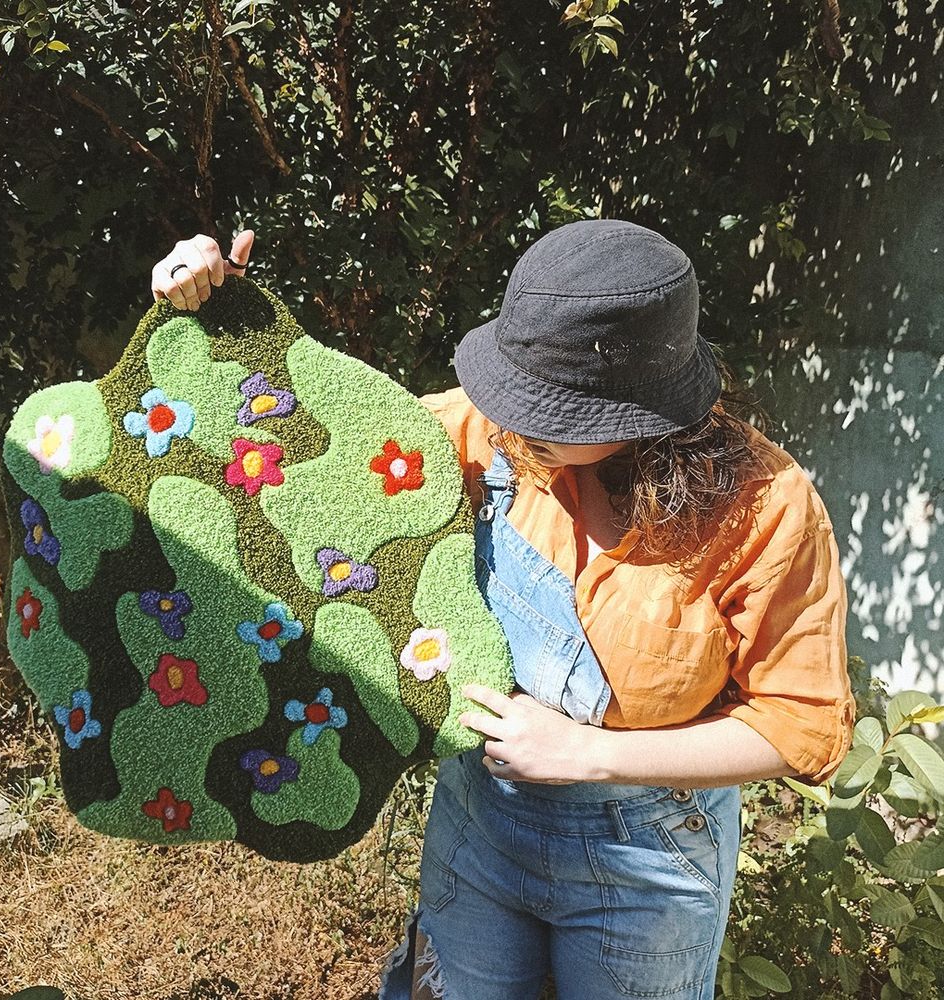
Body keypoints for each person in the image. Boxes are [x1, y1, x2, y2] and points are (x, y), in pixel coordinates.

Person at [151, 220, 856, 1000]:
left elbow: (800, 725)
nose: (516, 422)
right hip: (478, 827)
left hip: (648, 868)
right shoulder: (487, 434)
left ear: (636, 411)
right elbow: (313, 443)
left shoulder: (763, 509)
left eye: (550, 411)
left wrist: (590, 754)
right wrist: (220, 315)